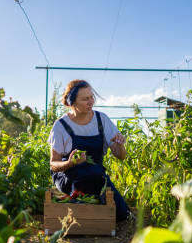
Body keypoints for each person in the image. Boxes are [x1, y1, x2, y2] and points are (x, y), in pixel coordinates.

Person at [48, 79, 131, 222]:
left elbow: (121, 156)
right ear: (72, 102)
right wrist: (70, 162)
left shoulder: (101, 120)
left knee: (122, 214)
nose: (91, 102)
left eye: (92, 97)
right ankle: (78, 204)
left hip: (96, 176)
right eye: (85, 99)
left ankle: (91, 203)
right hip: (68, 177)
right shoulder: (61, 125)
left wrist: (120, 145)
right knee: (88, 176)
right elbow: (53, 165)